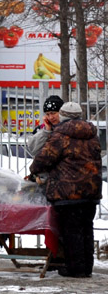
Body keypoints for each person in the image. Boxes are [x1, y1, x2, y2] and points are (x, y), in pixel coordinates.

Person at [28, 101, 103, 278]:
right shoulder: (92, 134)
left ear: (63, 115)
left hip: (67, 191)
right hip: (90, 191)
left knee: (71, 231)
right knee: (86, 229)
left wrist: (34, 171)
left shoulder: (60, 135)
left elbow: (43, 159)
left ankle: (74, 269)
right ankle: (86, 268)